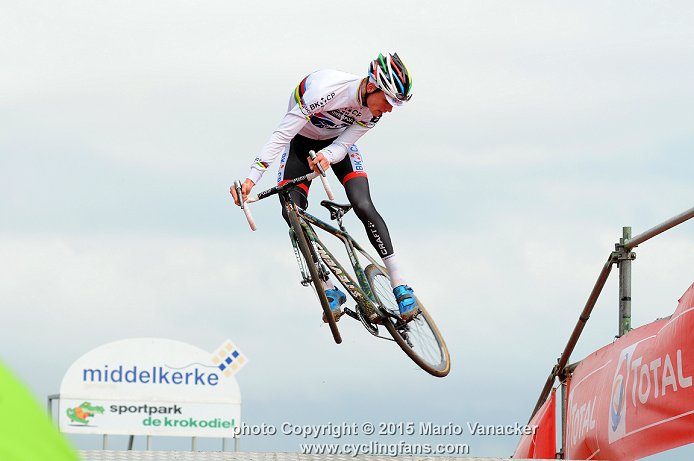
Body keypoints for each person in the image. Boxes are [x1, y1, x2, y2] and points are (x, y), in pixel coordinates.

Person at [231, 52, 420, 322]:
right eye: (389, 101)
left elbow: (343, 145)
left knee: (363, 204)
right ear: (370, 86)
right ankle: (328, 287)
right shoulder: (325, 91)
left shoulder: (373, 111)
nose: (389, 109)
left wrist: (328, 157)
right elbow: (282, 134)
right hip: (300, 142)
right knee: (291, 211)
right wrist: (252, 178)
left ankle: (399, 284)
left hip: (337, 144)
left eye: (395, 105)